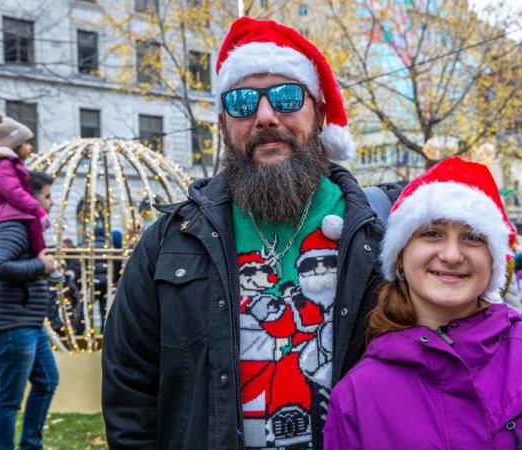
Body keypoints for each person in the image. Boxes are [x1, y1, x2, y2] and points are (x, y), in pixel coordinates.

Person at [102, 17, 400, 449]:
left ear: (318, 113)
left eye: (285, 96)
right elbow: (129, 389)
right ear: (224, 123)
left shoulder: (383, 232)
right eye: (241, 102)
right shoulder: (169, 242)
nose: (264, 116)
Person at [323, 157, 522, 449]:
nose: (451, 255)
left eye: (473, 237)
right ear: (400, 256)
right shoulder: (357, 395)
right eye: (432, 233)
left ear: (493, 261)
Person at [0, 171, 59, 450]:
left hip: (27, 322)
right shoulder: (13, 226)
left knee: (47, 380)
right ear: (28, 196)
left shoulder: (26, 227)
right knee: (10, 398)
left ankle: (31, 445)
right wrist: (41, 266)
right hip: (9, 324)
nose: (52, 202)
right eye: (47, 195)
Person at [0, 113, 63, 283]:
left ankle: (42, 259)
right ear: (14, 145)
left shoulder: (6, 164)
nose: (30, 148)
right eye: (27, 143)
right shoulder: (3, 166)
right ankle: (42, 259)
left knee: (31, 222)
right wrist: (36, 208)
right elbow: (14, 193)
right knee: (32, 221)